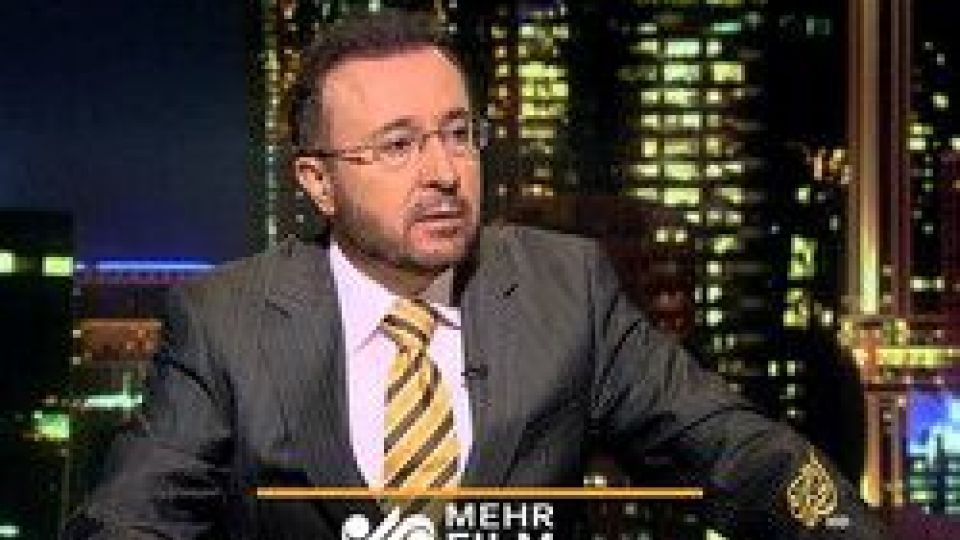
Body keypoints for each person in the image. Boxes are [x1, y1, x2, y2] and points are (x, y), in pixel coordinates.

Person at [65, 9, 888, 539]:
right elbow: (132, 520)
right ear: (318, 181)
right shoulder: (225, 322)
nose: (444, 172)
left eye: (458, 134)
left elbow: (738, 452)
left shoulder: (565, 288)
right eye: (397, 145)